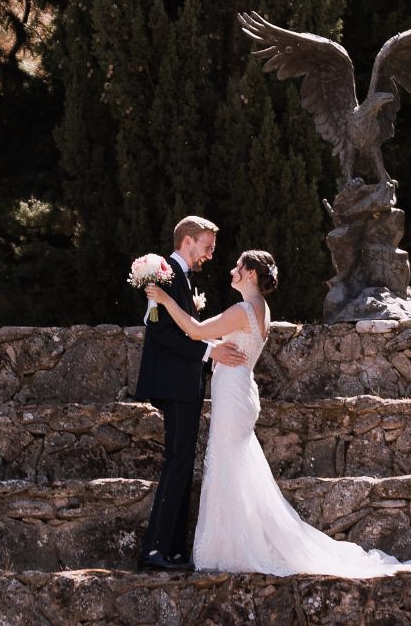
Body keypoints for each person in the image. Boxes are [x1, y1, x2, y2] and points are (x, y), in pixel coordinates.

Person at [146, 248, 411, 577]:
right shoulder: (262, 310)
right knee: (235, 465)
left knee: (227, 465)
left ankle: (235, 547)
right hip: (241, 391)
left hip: (233, 394)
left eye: (237, 267)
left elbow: (193, 330)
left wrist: (164, 298)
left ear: (250, 274)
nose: (231, 271)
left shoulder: (242, 309)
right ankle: (236, 542)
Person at [133, 215, 247, 571]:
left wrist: (207, 344)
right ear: (187, 242)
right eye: (207, 247)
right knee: (177, 461)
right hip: (174, 383)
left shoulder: (179, 279)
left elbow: (184, 330)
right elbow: (161, 334)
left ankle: (173, 549)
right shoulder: (165, 276)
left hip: (185, 383)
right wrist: (209, 350)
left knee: (183, 462)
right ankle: (154, 550)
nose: (210, 255)